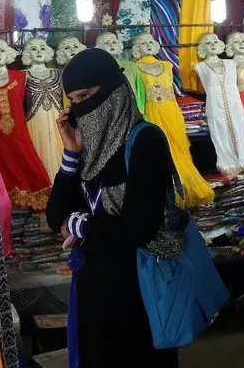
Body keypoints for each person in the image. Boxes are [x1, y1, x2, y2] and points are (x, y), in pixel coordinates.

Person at [46, 48, 179, 367]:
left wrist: (81, 225)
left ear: (112, 90)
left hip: (138, 290)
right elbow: (55, 216)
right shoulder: (87, 149)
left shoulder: (145, 141)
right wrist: (70, 157)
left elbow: (137, 229)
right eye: (73, 101)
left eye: (86, 96)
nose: (80, 108)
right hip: (94, 288)